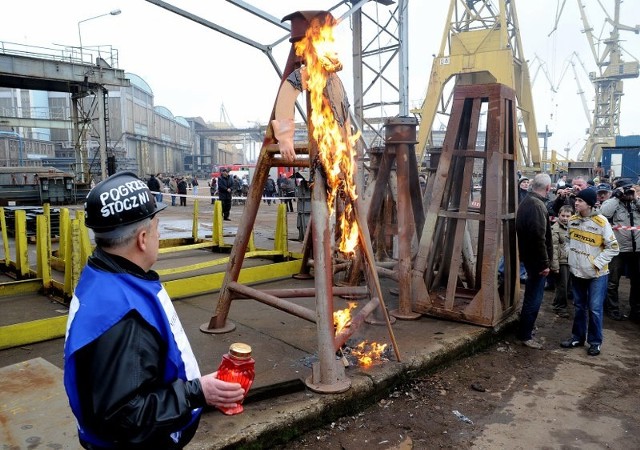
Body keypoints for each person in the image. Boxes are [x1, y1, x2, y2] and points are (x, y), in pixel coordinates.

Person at [63, 172, 244, 448]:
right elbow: (125, 416)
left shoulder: (104, 274)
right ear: (143, 238)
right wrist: (198, 392)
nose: (159, 235)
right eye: (157, 228)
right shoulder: (126, 319)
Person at [561, 188, 619, 356]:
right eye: (576, 200)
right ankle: (577, 337)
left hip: (597, 274)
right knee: (579, 306)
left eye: (580, 201)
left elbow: (614, 248)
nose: (576, 203)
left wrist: (596, 264)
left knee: (594, 308)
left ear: (589, 204)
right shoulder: (572, 220)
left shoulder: (602, 222)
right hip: (577, 272)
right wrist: (570, 256)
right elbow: (568, 240)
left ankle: (595, 342)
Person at [515, 173, 553, 349]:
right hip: (535, 261)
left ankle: (525, 330)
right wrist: (544, 264)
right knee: (534, 298)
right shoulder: (537, 205)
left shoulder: (528, 201)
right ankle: (526, 335)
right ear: (548, 188)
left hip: (530, 257)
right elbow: (539, 237)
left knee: (532, 295)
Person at [599, 179, 640, 322]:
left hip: (637, 250)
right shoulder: (613, 203)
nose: (627, 192)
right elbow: (604, 213)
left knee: (637, 282)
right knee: (613, 281)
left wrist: (635, 198)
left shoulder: (636, 202)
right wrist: (616, 196)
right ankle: (612, 309)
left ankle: (636, 311)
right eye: (625, 190)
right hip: (618, 249)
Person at [551, 205, 573, 318]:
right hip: (561, 261)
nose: (565, 218)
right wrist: (555, 265)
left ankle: (557, 303)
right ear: (558, 215)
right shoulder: (555, 228)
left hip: (571, 260)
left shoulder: (573, 227)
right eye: (563, 215)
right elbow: (553, 248)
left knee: (567, 285)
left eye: (568, 216)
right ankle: (560, 307)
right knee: (562, 286)